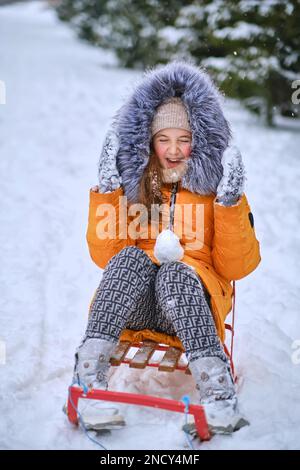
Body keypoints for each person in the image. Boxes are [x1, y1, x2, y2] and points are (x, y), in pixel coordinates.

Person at [71, 60, 261, 434]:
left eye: (184, 139)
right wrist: (110, 192)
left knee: (176, 271)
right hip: (136, 311)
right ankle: (89, 378)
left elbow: (237, 267)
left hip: (191, 309)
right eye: (164, 139)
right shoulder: (138, 188)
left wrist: (228, 205)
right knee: (129, 256)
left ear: (201, 142)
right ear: (149, 141)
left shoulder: (212, 195)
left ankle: (217, 391)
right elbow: (105, 258)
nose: (173, 150)